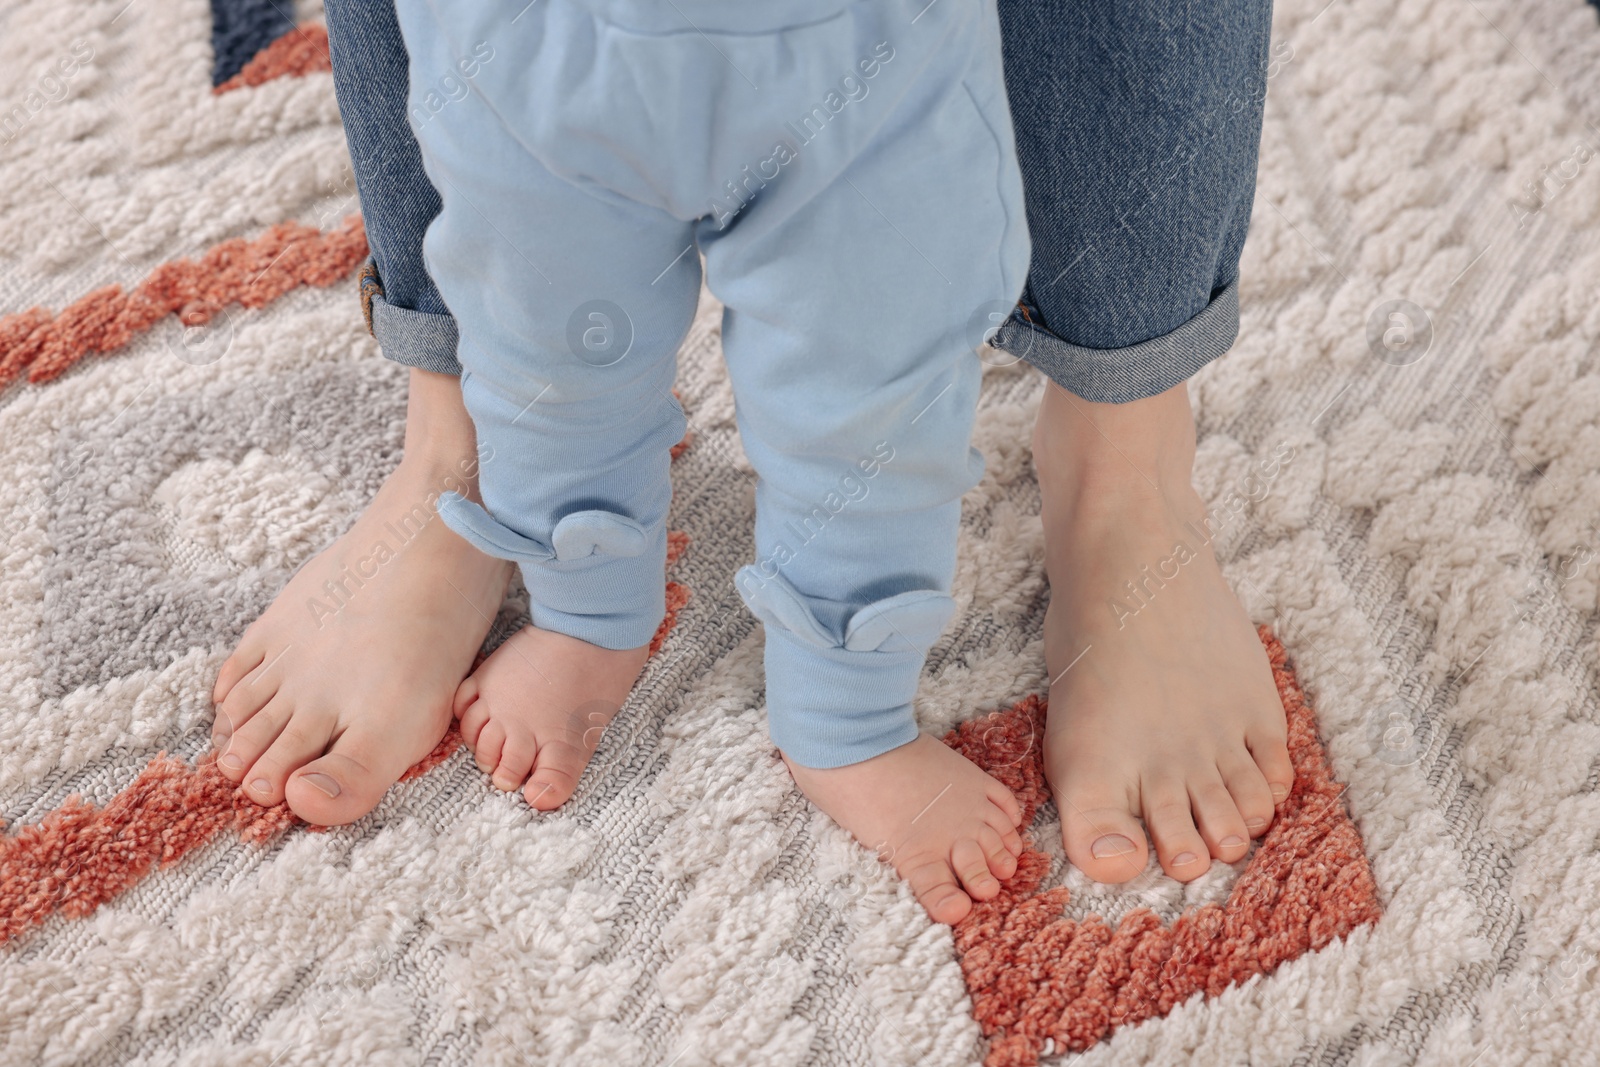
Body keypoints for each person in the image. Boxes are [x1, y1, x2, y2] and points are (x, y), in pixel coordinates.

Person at [211, 0, 1292, 925]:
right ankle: (582, 603)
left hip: (860, 51)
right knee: (535, 338)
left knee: (867, 389)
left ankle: (847, 716)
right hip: (524, 44)